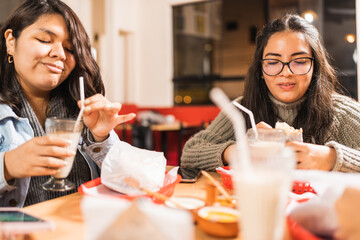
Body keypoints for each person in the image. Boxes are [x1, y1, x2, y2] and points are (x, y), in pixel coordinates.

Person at [180, 13, 360, 179]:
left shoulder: (341, 112)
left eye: (299, 61)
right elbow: (190, 154)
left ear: (315, 68)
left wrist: (332, 158)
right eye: (273, 62)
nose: (286, 72)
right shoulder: (243, 108)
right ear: (260, 70)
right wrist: (237, 151)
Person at [0, 0, 135, 207]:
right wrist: (6, 166)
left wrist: (100, 138)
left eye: (70, 48)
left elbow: (128, 183)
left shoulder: (81, 111)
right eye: (45, 40)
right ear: (11, 41)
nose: (60, 54)